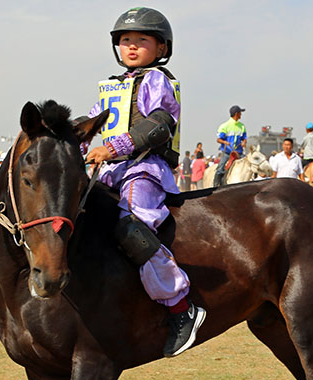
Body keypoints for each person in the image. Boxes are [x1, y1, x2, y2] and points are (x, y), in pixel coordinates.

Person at [84, 6, 205, 357]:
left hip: (145, 168)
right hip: (110, 171)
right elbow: (89, 123)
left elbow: (159, 125)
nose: (132, 46)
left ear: (162, 48)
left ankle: (181, 309)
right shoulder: (111, 88)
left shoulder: (158, 81)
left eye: (141, 40)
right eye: (125, 40)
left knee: (128, 226)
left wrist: (112, 147)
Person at [213, 105, 247, 187]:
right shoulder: (225, 126)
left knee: (250, 164)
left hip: (239, 153)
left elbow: (244, 138)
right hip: (228, 153)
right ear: (236, 114)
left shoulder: (242, 126)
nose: (241, 115)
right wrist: (225, 142)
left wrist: (244, 142)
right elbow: (218, 139)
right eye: (240, 113)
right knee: (220, 169)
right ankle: (215, 186)